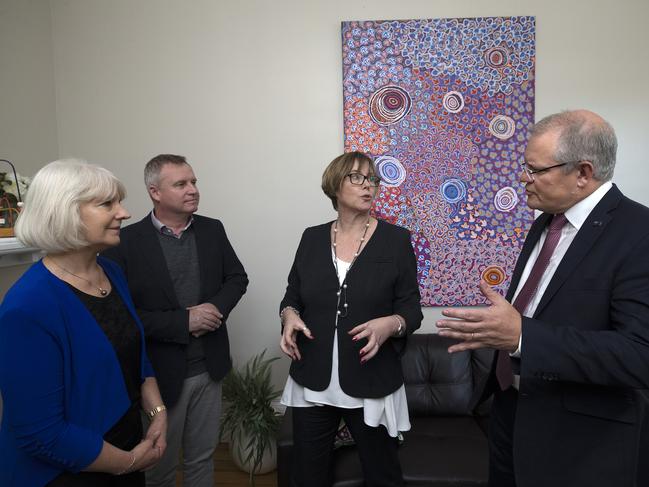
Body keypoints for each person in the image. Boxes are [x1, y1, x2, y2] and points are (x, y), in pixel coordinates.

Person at [436, 110, 649, 487]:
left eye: (536, 170)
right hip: (510, 414)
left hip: (580, 441)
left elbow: (639, 354)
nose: (523, 178)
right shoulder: (545, 222)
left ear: (583, 173)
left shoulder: (638, 233)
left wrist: (523, 338)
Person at [0, 159, 167, 487]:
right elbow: (42, 435)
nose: (124, 213)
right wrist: (129, 462)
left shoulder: (111, 273)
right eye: (108, 203)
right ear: (64, 212)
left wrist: (158, 412)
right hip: (66, 471)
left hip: (126, 447)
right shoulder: (27, 307)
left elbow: (135, 352)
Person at [279, 151, 423, 487]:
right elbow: (292, 296)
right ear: (335, 184)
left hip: (370, 379)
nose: (368, 186)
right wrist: (288, 316)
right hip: (312, 379)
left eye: (373, 179)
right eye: (357, 178)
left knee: (382, 474)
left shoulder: (396, 240)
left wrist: (391, 324)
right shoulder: (311, 238)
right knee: (307, 476)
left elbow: (412, 309)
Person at [104, 154, 248, 487]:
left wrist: (214, 308)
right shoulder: (124, 243)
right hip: (159, 376)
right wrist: (183, 322)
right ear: (155, 192)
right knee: (159, 467)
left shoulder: (212, 229)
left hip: (209, 369)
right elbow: (121, 316)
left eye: (194, 182)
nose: (192, 190)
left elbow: (237, 278)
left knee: (202, 459)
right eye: (181, 184)